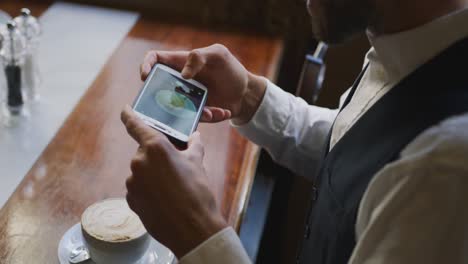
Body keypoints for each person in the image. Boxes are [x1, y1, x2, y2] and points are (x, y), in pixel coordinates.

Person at [120, 0, 468, 262]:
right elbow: (366, 155)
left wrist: (196, 232)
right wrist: (248, 97)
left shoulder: (446, 170)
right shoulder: (418, 45)